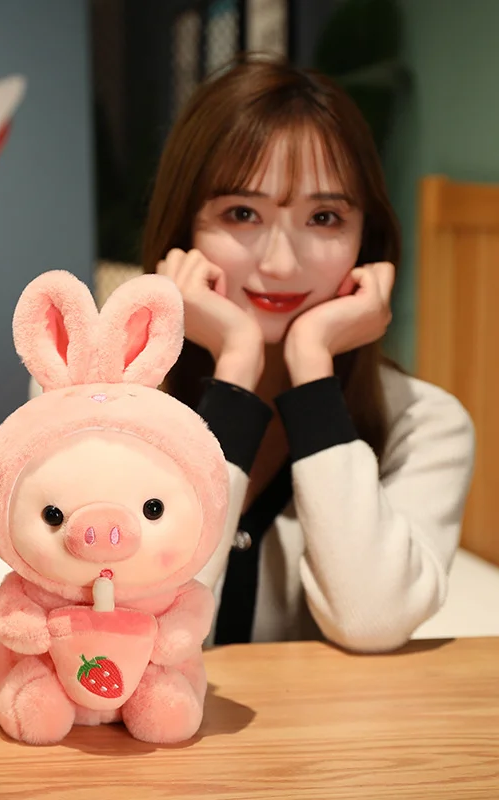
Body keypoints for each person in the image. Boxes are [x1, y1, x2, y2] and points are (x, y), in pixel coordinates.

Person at [142, 55, 475, 653]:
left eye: (324, 217)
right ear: (183, 231)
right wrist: (235, 372)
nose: (280, 263)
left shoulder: (426, 424)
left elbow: (372, 622)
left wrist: (313, 371)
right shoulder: (109, 403)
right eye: (242, 213)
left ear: (366, 240)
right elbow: (140, 625)